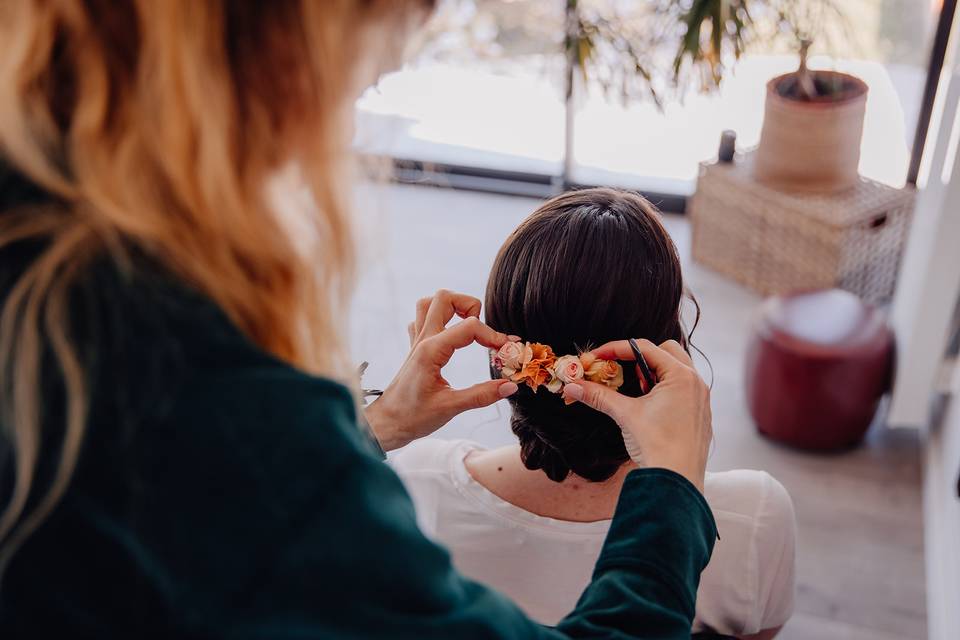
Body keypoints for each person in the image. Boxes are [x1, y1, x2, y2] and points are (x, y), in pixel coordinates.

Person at [0, 2, 717, 638]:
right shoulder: (210, 400)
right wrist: (672, 485)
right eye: (363, 73)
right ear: (279, 47)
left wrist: (378, 430)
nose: (344, 122)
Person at [391, 189, 797, 639]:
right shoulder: (753, 517)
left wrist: (381, 424)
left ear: (500, 353)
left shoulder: (412, 487)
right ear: (663, 355)